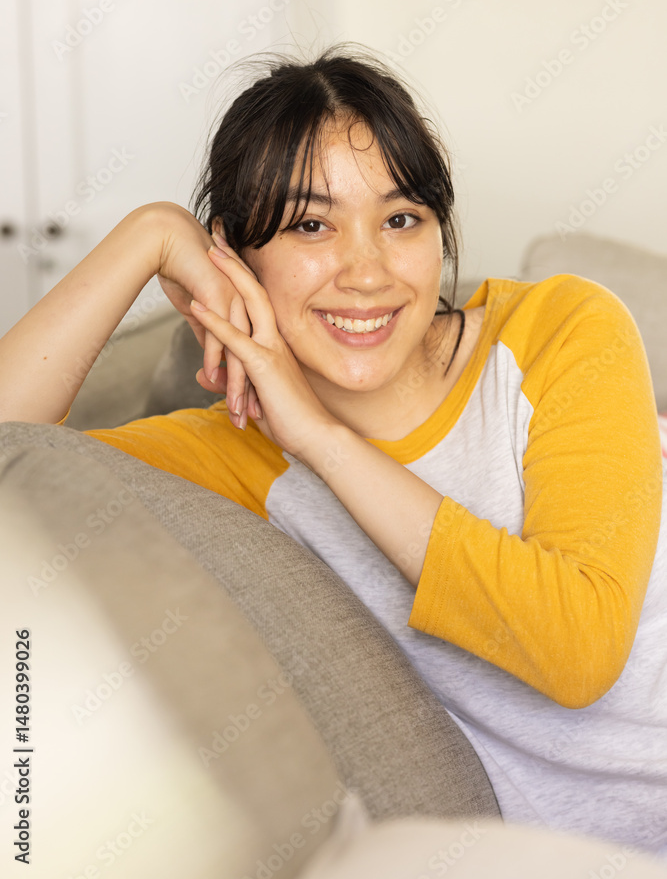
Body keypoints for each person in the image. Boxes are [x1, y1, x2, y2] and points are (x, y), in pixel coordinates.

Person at [1, 44, 666, 860]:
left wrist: (321, 439)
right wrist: (149, 236)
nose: (366, 271)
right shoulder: (234, 453)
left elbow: (577, 650)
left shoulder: (560, 330)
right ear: (232, 256)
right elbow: (10, 456)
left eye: (400, 219)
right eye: (311, 225)